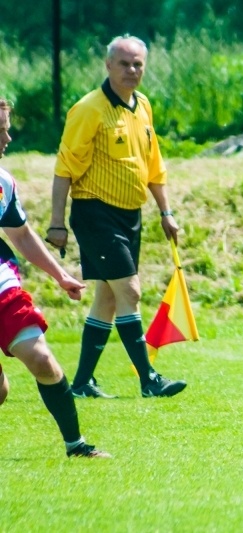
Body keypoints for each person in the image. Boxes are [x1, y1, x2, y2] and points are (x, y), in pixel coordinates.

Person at [46, 35, 186, 399]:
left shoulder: (143, 107)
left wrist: (166, 212)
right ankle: (149, 380)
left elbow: (154, 166)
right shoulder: (89, 109)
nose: (132, 70)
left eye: (138, 63)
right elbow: (64, 169)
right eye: (124, 63)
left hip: (130, 216)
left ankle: (81, 384)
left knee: (108, 299)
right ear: (108, 65)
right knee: (130, 291)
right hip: (95, 213)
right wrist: (57, 222)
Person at [0, 99, 110, 458]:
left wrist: (60, 275)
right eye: (1, 130)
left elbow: (20, 234)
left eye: (7, 127)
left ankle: (75, 444)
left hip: (1, 285)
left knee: (42, 360)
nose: (9, 136)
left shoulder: (3, 182)